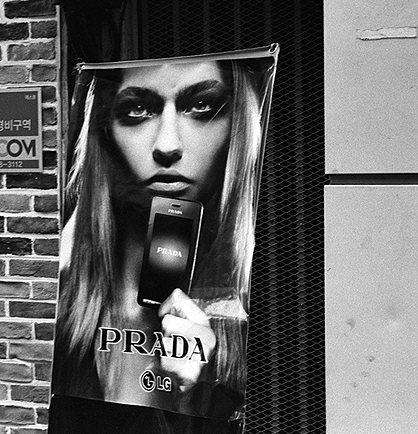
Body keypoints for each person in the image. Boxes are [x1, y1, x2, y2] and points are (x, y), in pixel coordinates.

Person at [50, 54, 275, 433]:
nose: (167, 146)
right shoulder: (63, 298)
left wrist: (192, 393)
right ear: (106, 134)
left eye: (202, 106)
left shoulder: (256, 307)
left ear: (237, 127)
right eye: (137, 110)